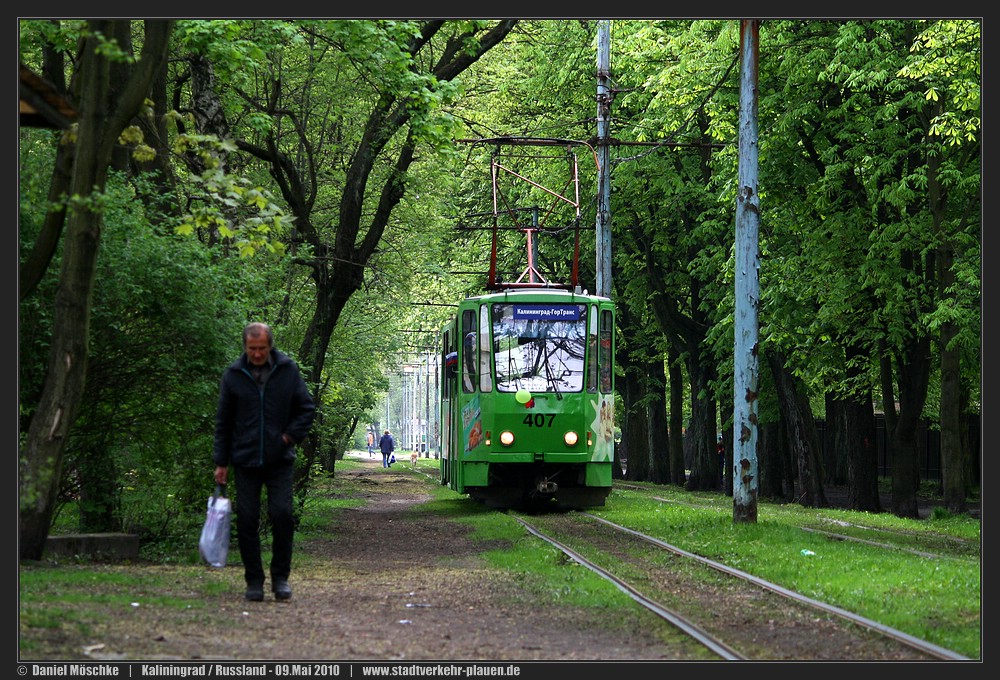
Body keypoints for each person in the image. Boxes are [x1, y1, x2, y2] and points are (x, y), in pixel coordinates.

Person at [213, 322, 316, 602]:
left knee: (282, 514)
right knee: (246, 520)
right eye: (251, 349)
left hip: (279, 459)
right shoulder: (234, 375)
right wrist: (220, 462)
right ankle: (254, 581)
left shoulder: (287, 371)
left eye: (261, 349)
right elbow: (223, 421)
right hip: (244, 460)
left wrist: (287, 438)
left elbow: (306, 409)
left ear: (270, 346)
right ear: (245, 347)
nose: (257, 354)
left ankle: (280, 578)